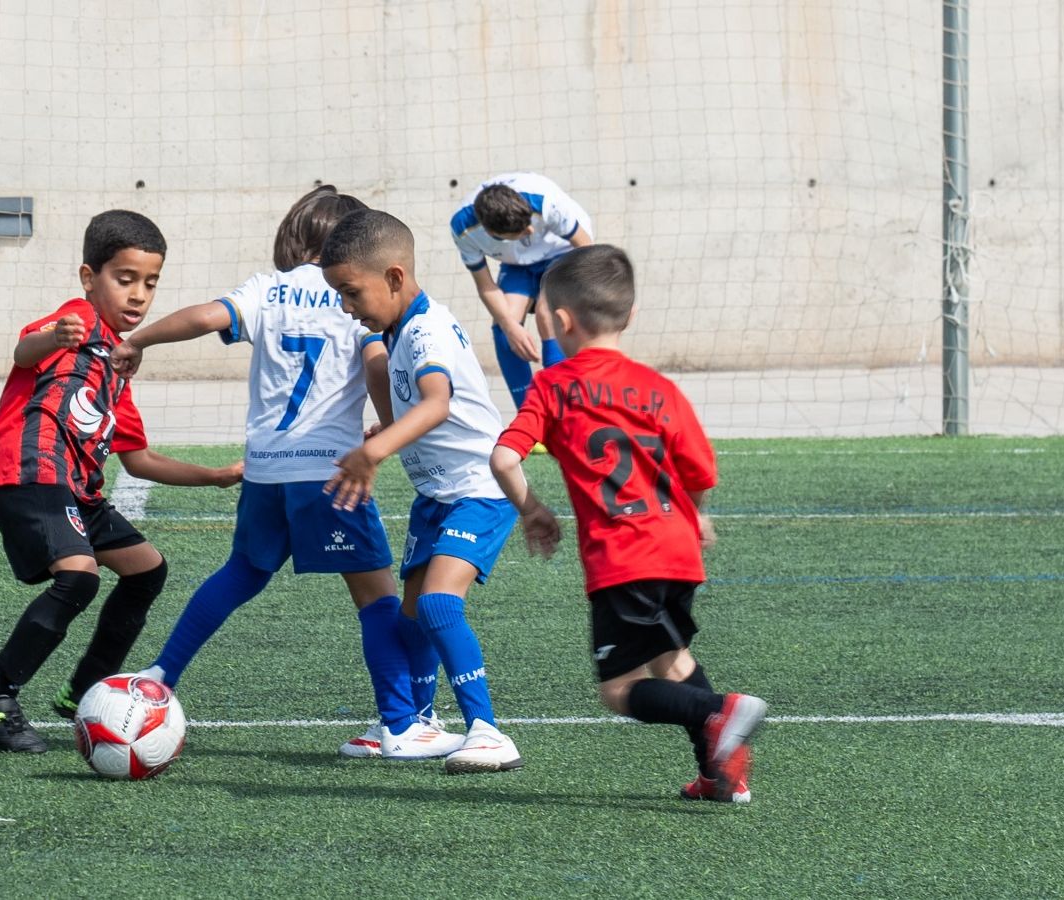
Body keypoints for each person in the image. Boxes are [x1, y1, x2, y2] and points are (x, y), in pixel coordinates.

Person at [110, 186, 462, 760]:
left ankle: (160, 674)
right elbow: (375, 365)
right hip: (328, 472)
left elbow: (204, 317)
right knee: (376, 596)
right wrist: (389, 427)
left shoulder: (267, 289)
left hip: (265, 469)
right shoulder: (353, 293)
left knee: (243, 571)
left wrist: (138, 339)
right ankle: (400, 726)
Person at [488, 244, 766, 801]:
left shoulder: (551, 387)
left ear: (558, 320)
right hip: (678, 552)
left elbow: (503, 457)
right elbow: (700, 470)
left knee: (618, 689)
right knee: (672, 659)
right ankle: (720, 774)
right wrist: (699, 518)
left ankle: (721, 710)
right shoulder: (659, 388)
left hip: (623, 559)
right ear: (630, 316)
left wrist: (533, 510)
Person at [0, 209, 243, 753]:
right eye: (125, 278)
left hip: (75, 490)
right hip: (29, 472)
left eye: (150, 283)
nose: (138, 295)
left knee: (147, 571)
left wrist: (217, 476)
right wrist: (54, 337)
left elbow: (138, 460)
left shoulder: (119, 366)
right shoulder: (78, 320)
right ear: (90, 278)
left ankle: (85, 692)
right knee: (80, 576)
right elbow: (24, 351)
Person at [321, 208, 523, 774]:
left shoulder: (427, 329)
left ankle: (488, 731)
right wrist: (386, 424)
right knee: (410, 616)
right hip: (437, 495)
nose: (345, 305)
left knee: (437, 603)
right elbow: (405, 391)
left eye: (350, 292)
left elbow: (437, 402)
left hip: (480, 489)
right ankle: (412, 721)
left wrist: (374, 452)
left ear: (393, 276)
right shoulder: (395, 331)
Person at [451, 172, 594, 410]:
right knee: (505, 329)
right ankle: (530, 415)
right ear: (492, 234)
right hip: (517, 263)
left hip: (562, 250)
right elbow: (485, 285)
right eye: (521, 231)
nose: (529, 230)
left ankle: (561, 412)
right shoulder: (463, 228)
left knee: (547, 315)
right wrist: (510, 326)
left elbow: (587, 248)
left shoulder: (544, 202)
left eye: (529, 224)